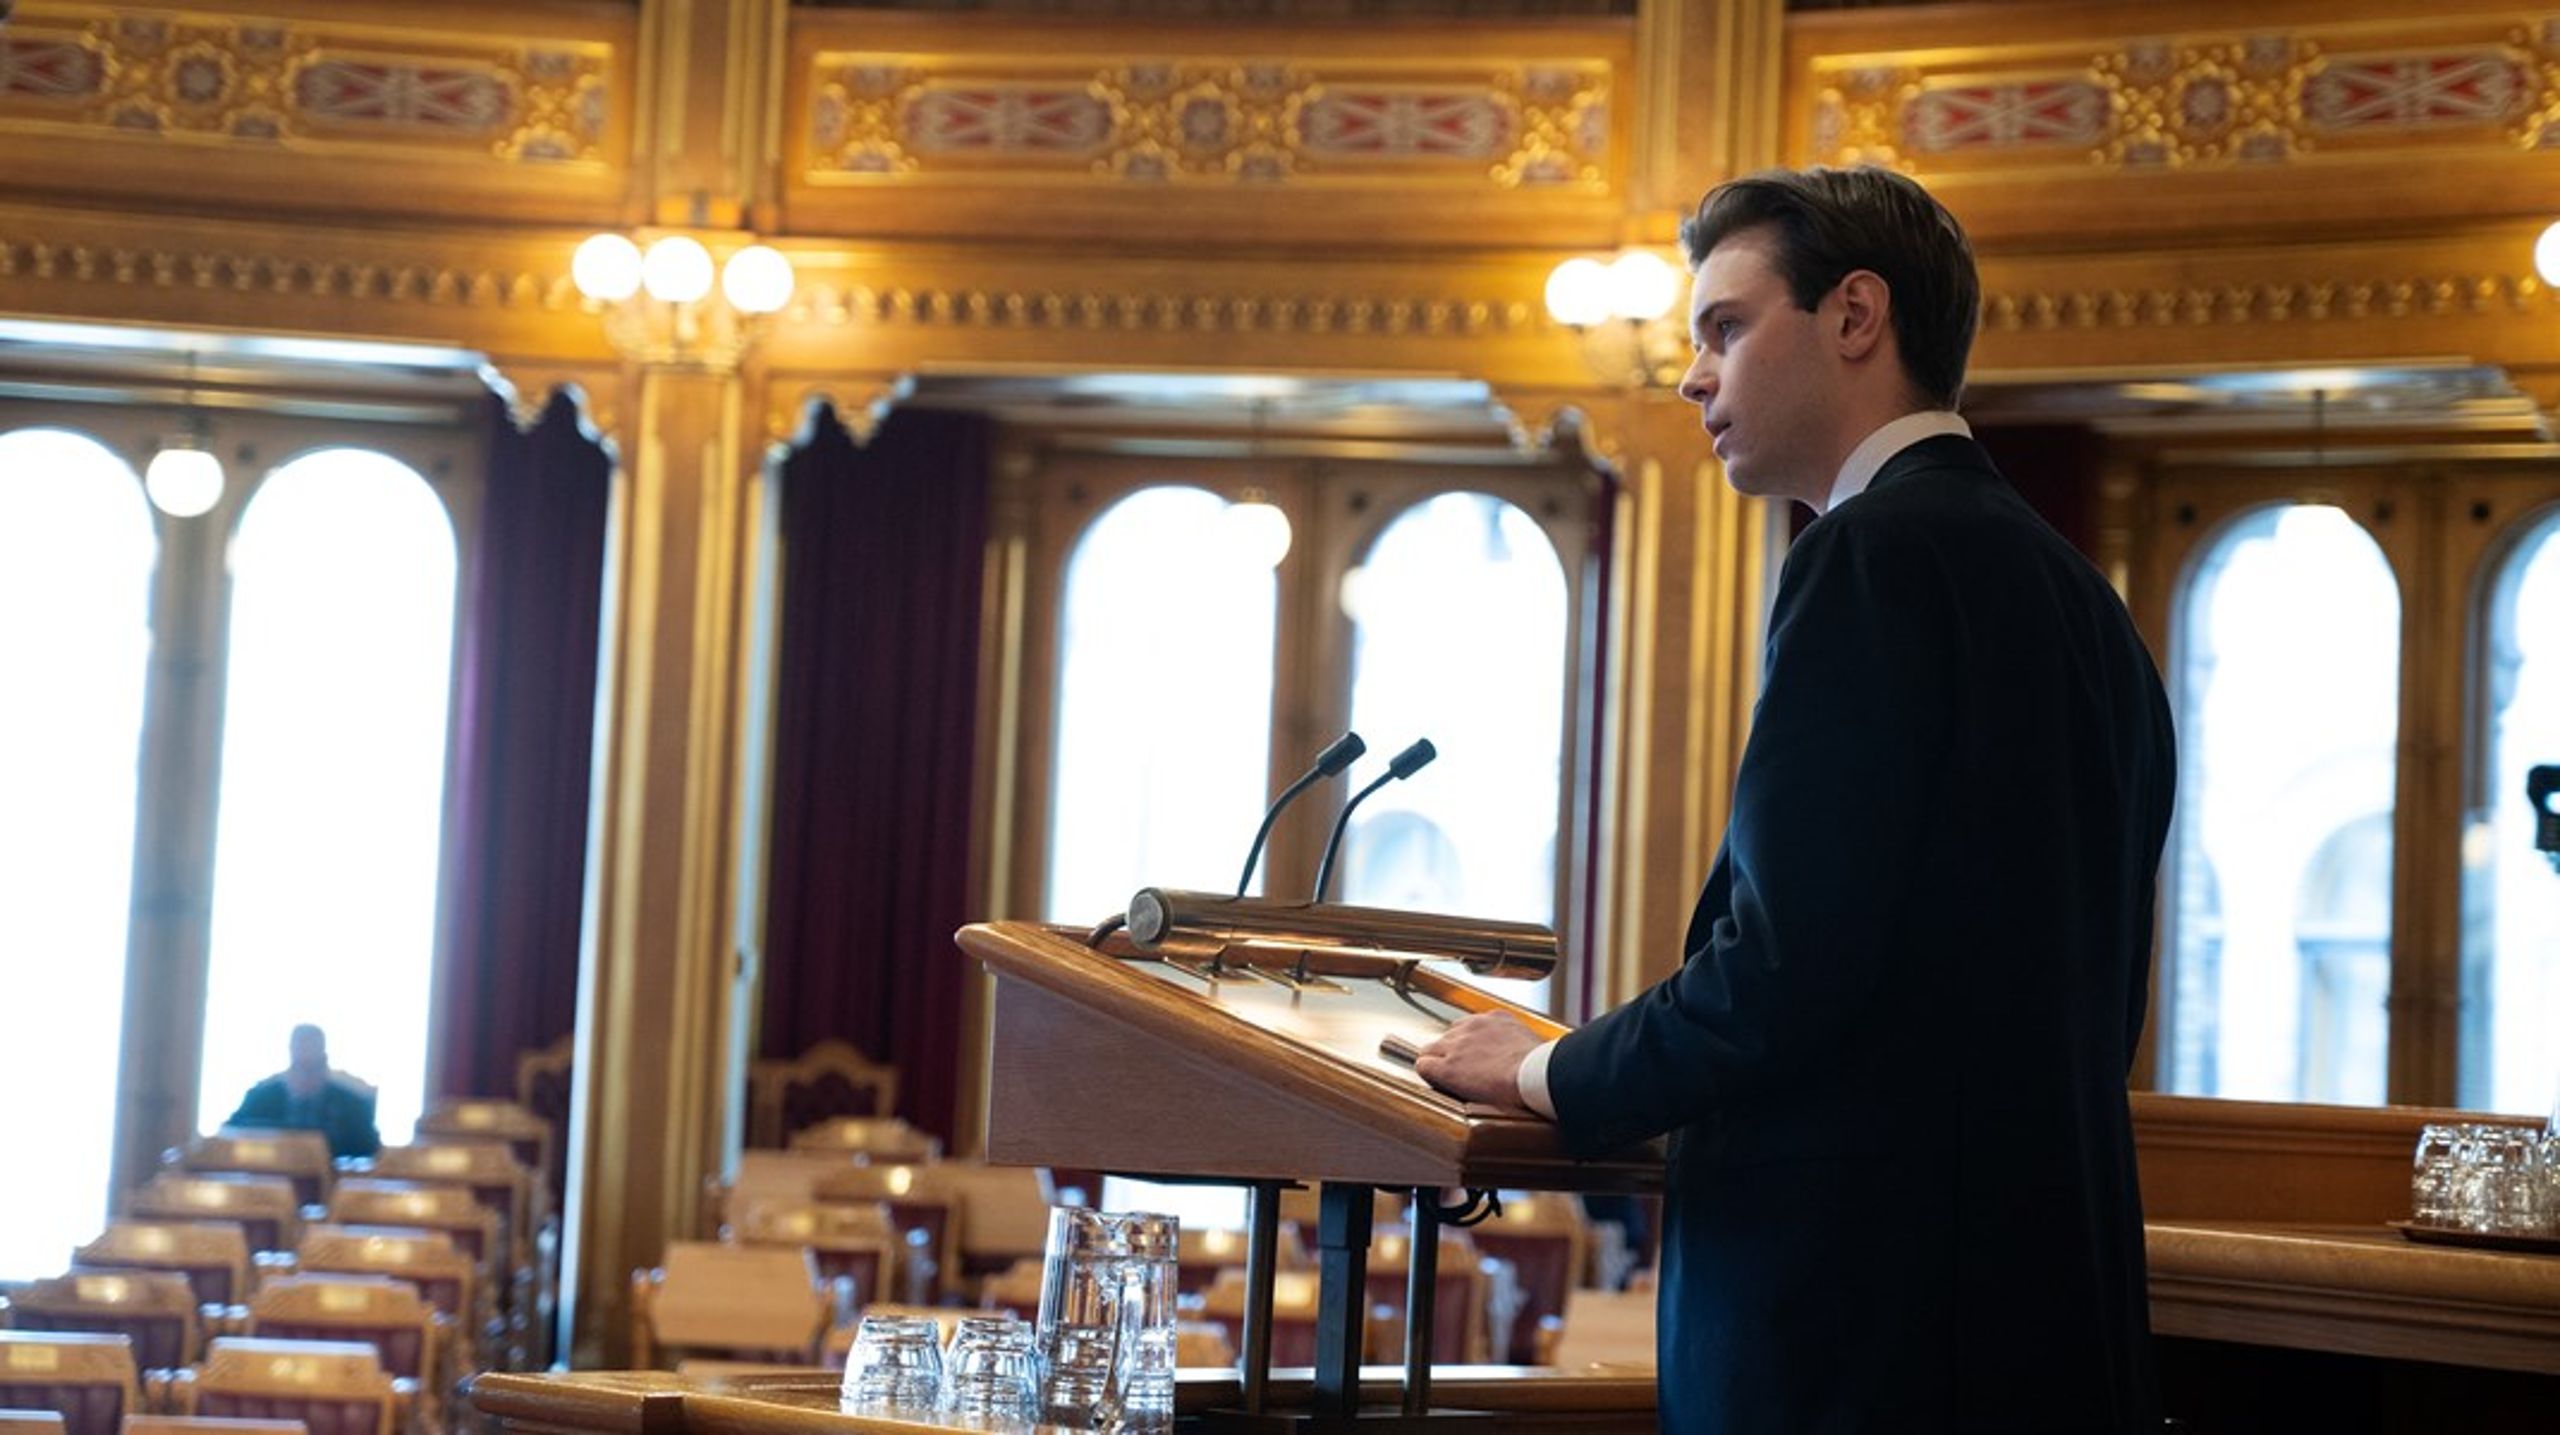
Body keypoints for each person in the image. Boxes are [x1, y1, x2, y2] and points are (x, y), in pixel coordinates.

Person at [1416, 166, 2175, 1432]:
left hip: (1857, 1321)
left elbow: (1783, 967)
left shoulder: (1869, 553)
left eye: (1724, 326)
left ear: (1855, 316)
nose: (1691, 376)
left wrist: (1553, 1067)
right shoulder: (2076, 594)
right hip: (2033, 1302)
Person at [227, 1022, 382, 1158]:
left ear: (324, 1058)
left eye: (311, 1070)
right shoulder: (261, 1097)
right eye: (299, 1071)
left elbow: (371, 1150)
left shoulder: (351, 1102)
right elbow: (229, 1135)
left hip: (331, 1185)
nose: (305, 1077)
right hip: (269, 1181)